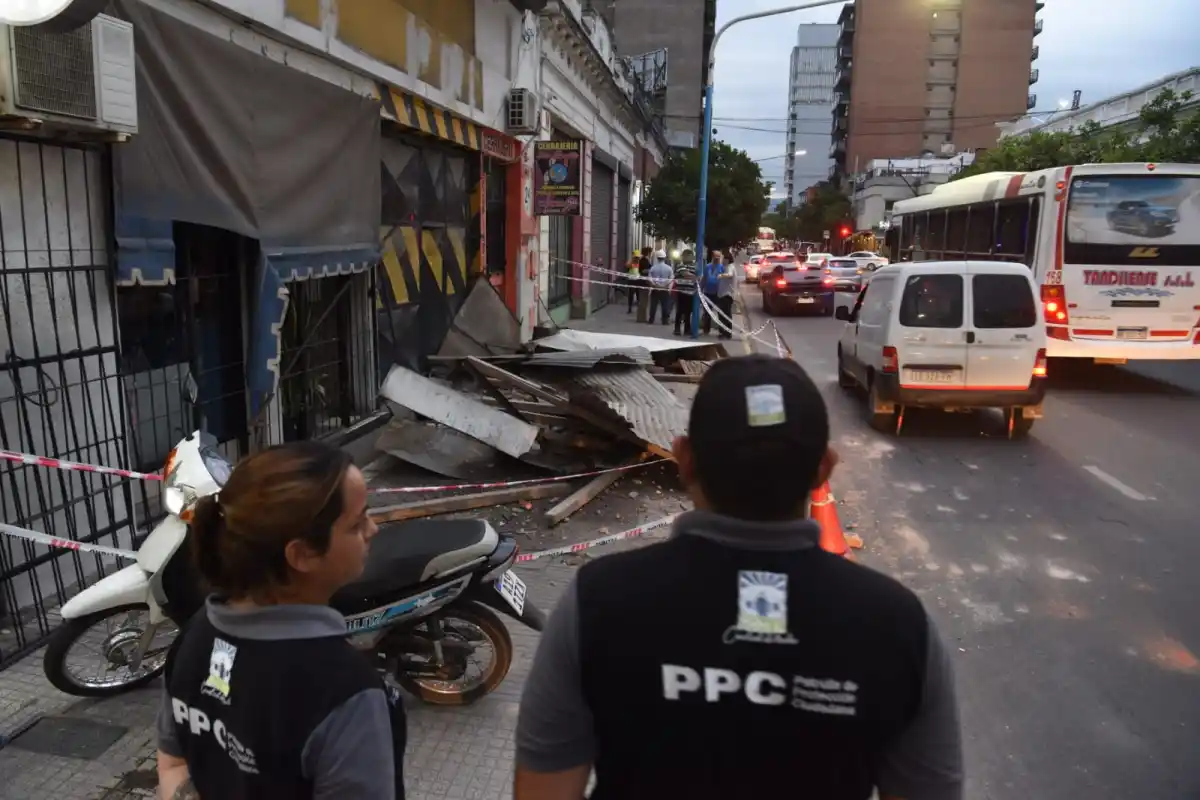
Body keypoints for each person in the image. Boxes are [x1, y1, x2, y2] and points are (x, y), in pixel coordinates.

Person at [514, 355, 964, 800]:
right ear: (823, 470)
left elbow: (544, 788)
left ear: (684, 459)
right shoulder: (899, 626)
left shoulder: (597, 603)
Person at [155, 442, 406, 800]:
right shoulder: (344, 691)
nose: (373, 529)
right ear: (302, 554)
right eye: (357, 522)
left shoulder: (196, 633)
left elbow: (172, 764)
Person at [700, 250, 733, 338]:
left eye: (719, 257)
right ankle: (706, 329)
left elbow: (727, 279)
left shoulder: (722, 267)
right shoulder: (707, 267)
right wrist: (700, 289)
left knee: (720, 313)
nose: (717, 258)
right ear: (712, 256)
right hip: (707, 293)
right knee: (707, 312)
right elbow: (704, 278)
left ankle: (721, 331)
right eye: (715, 256)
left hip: (718, 294)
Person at [672, 251, 698, 336]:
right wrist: (694, 277)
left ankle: (687, 329)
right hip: (681, 292)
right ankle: (677, 329)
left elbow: (698, 276)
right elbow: (684, 274)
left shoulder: (695, 267)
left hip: (691, 293)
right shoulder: (680, 266)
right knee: (679, 311)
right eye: (684, 256)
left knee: (688, 312)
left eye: (688, 256)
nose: (686, 258)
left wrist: (694, 277)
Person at [646, 250, 674, 325]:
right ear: (664, 258)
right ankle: (665, 320)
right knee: (665, 305)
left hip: (655, 289)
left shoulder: (653, 268)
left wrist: (654, 285)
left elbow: (649, 278)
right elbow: (671, 279)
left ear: (657, 258)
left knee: (653, 305)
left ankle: (651, 319)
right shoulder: (669, 268)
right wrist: (666, 285)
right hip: (665, 289)